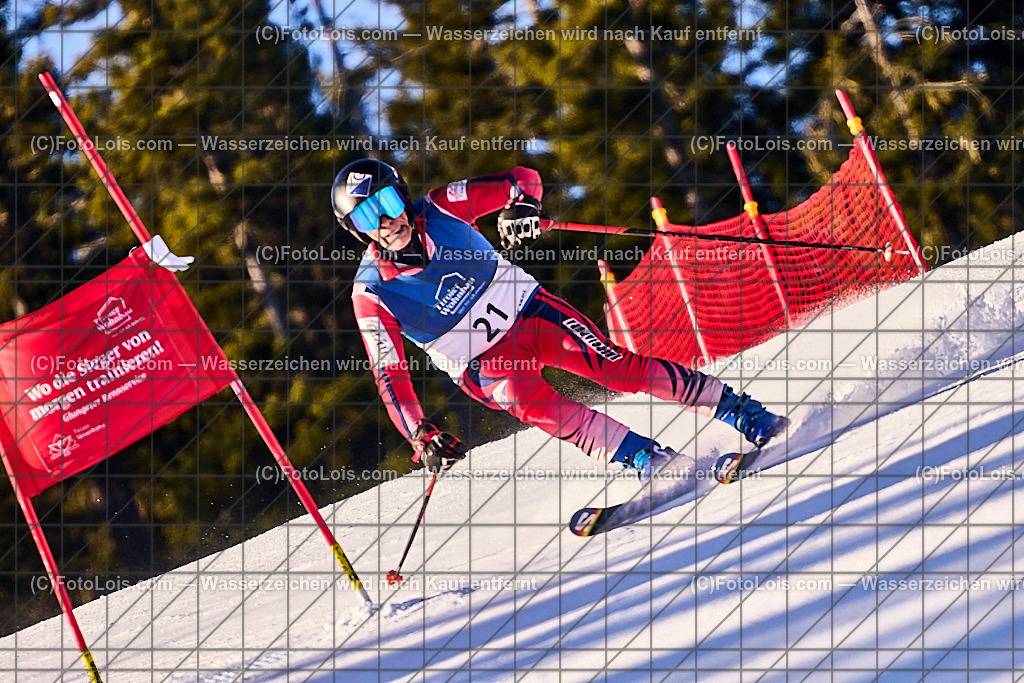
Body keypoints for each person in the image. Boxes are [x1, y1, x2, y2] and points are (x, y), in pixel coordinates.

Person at [334, 159, 787, 480]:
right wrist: (420, 433)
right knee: (537, 405)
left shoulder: (443, 206)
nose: (387, 220)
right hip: (486, 365)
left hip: (533, 314)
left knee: (614, 368)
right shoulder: (371, 292)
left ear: (403, 195)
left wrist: (522, 208)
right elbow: (389, 374)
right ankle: (643, 457)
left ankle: (742, 412)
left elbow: (521, 179)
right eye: (369, 214)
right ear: (358, 229)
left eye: (389, 201)